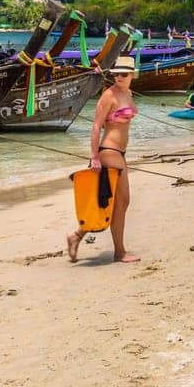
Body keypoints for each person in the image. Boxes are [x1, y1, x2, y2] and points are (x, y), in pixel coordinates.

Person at [67, 56, 140, 263]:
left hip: (121, 152)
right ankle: (119, 252)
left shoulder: (128, 93)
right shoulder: (109, 95)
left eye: (124, 74)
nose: (119, 77)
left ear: (132, 75)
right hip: (109, 151)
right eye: (116, 74)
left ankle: (76, 236)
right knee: (122, 201)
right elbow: (96, 126)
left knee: (112, 202)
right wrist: (94, 157)